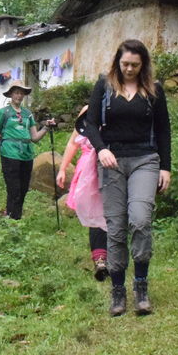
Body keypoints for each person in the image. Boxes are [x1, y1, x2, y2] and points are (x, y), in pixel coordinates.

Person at [84, 39, 171, 316]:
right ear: (117, 63)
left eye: (135, 64)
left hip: (145, 160)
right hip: (112, 163)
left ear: (143, 64)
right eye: (125, 64)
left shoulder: (154, 90)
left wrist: (165, 167)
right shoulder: (104, 85)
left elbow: (163, 130)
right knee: (117, 226)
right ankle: (118, 292)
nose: (130, 69)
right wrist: (101, 149)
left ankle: (141, 285)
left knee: (141, 219)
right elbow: (90, 124)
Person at [0, 80, 55, 220]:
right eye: (16, 92)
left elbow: (35, 137)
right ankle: (13, 218)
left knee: (24, 188)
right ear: (11, 94)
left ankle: (14, 217)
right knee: (14, 188)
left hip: (26, 154)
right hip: (9, 152)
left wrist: (46, 127)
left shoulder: (27, 114)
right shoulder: (4, 112)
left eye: (21, 93)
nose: (19, 95)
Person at [56, 106, 109, 281]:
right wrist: (63, 168)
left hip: (113, 164)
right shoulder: (88, 110)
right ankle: (100, 259)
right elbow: (73, 142)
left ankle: (114, 255)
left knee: (113, 211)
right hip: (89, 169)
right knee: (94, 211)